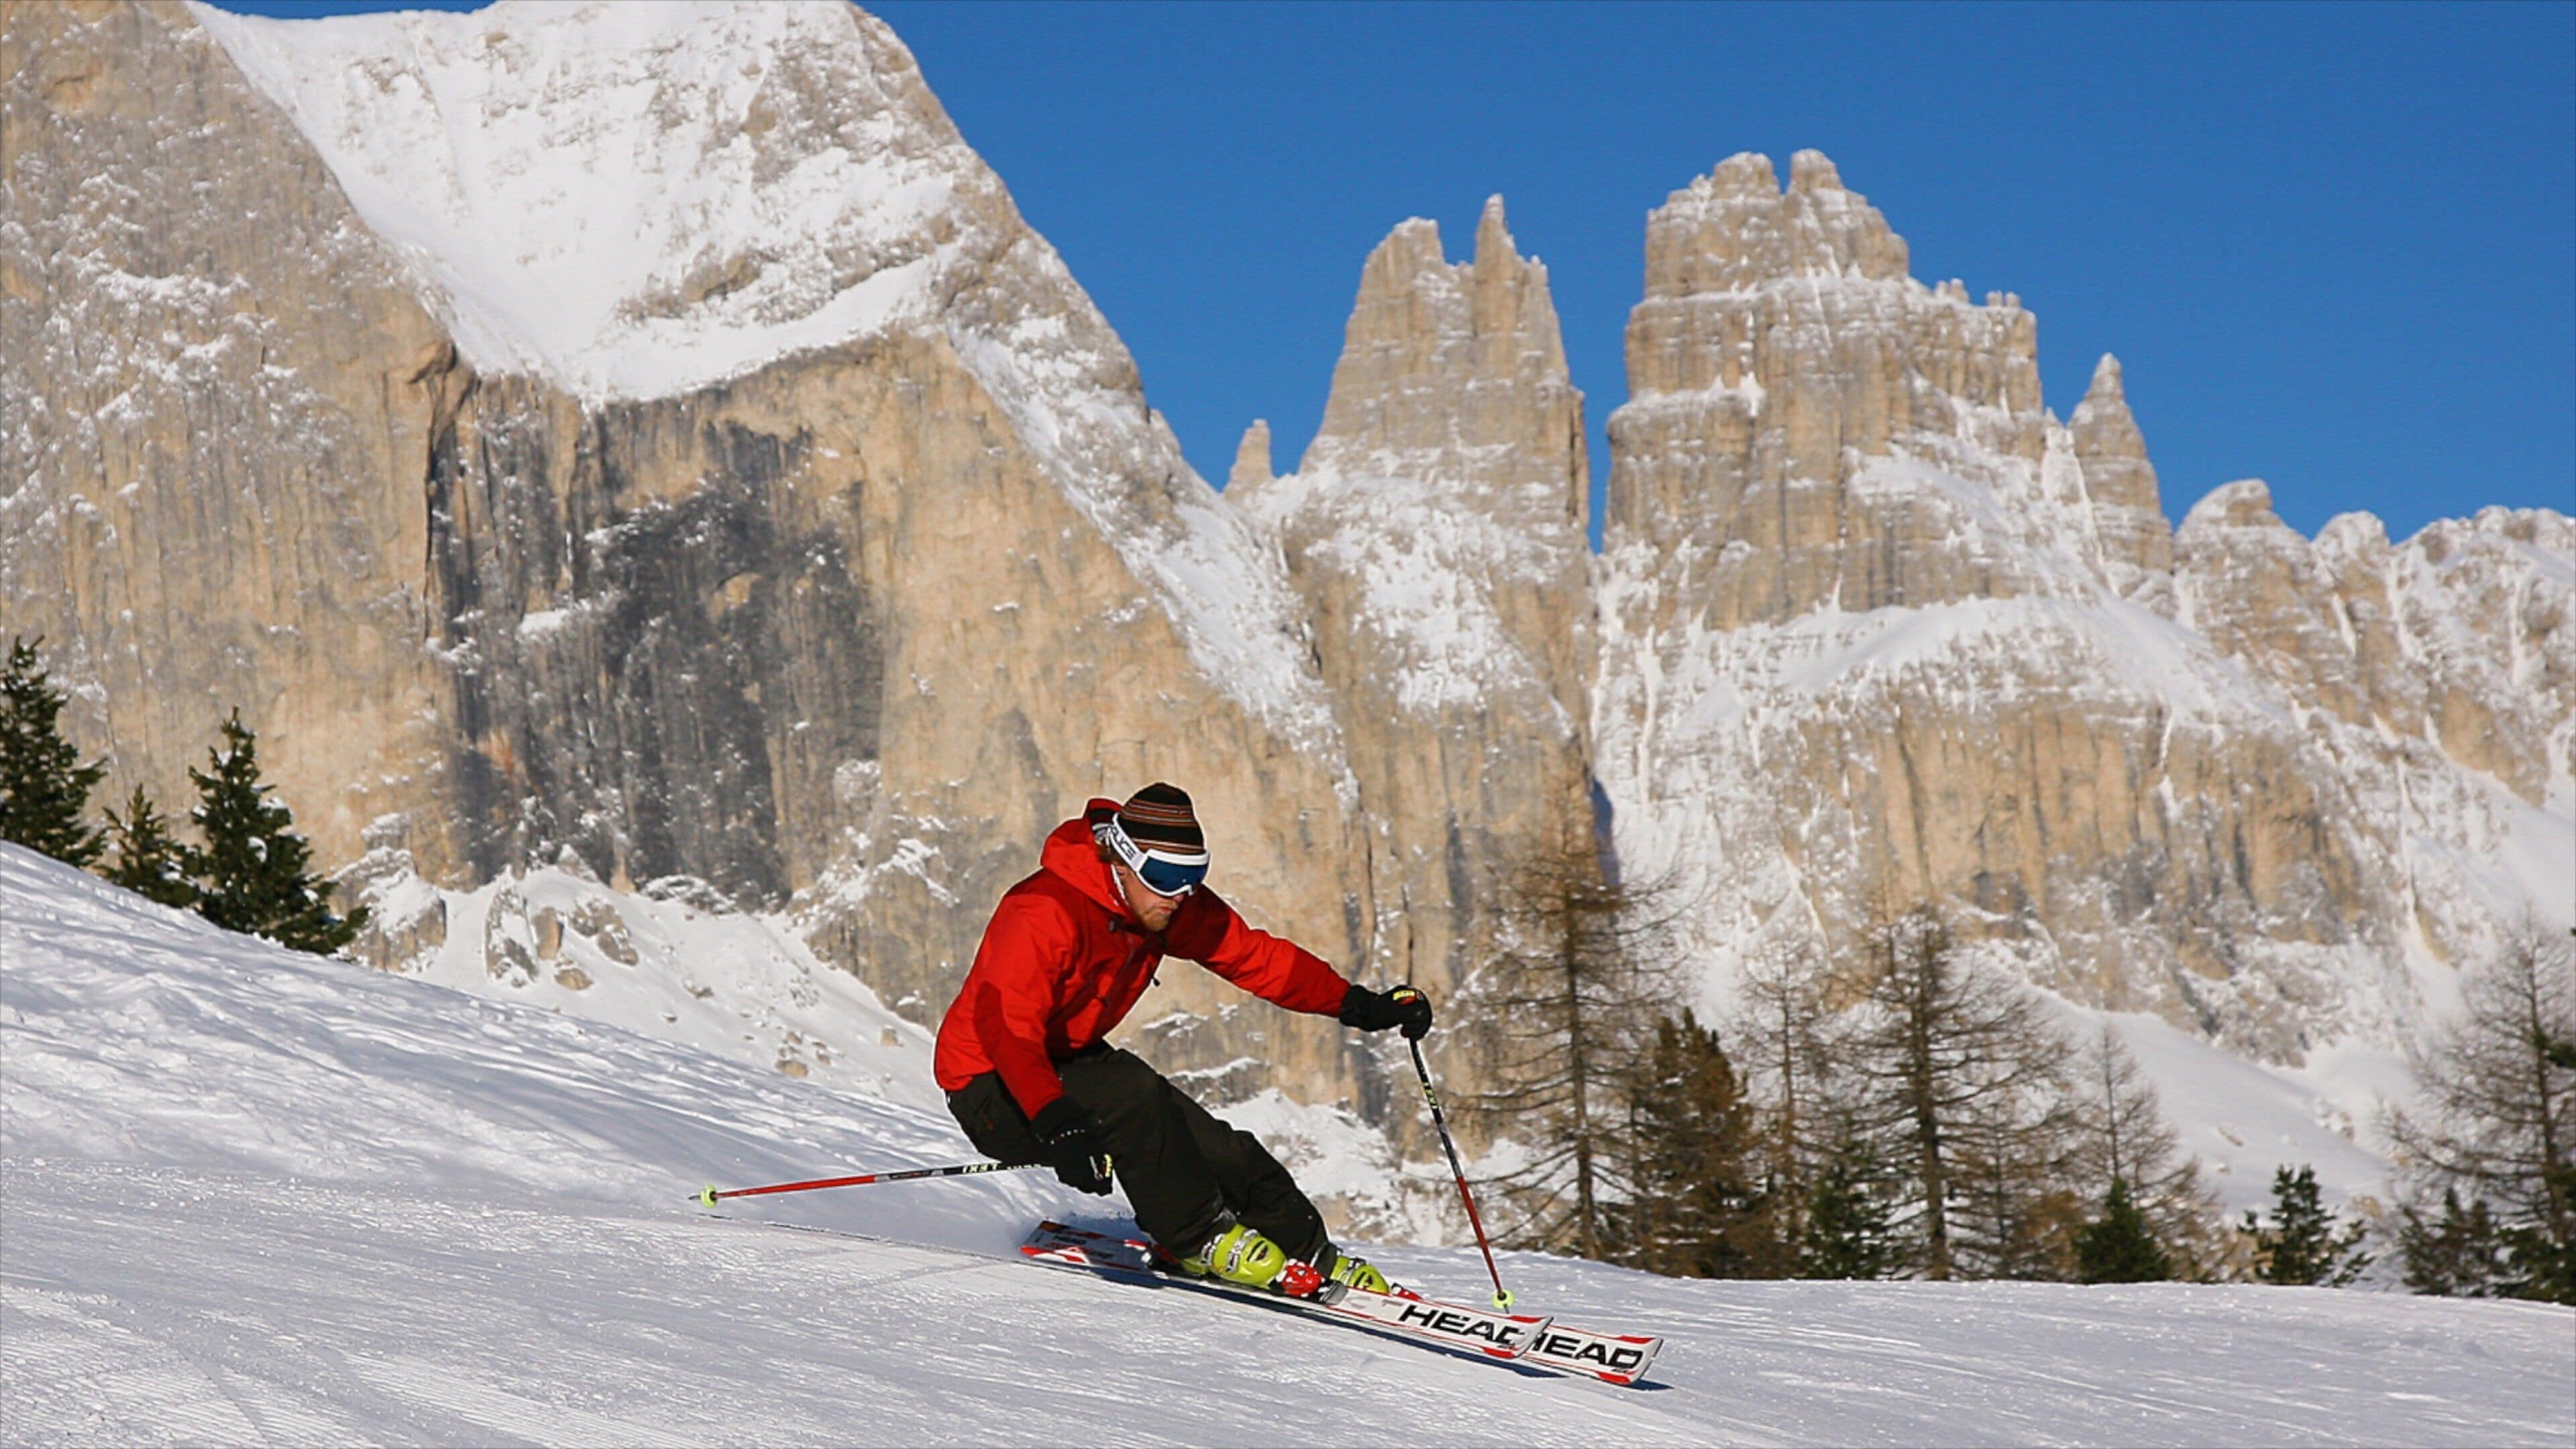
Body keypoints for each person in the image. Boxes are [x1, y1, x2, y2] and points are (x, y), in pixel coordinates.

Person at [934, 783, 1434, 1297]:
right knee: (1132, 1093)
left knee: (1217, 1146)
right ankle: (1196, 1238)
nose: (1180, 896)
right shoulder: (1042, 912)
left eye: (1194, 877)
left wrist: (1360, 1005)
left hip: (1069, 1061)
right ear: (1122, 863)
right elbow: (1009, 1031)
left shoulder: (1162, 904)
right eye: (1167, 878)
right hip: (994, 1085)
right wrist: (1056, 1121)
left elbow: (1255, 958)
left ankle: (1308, 1249)